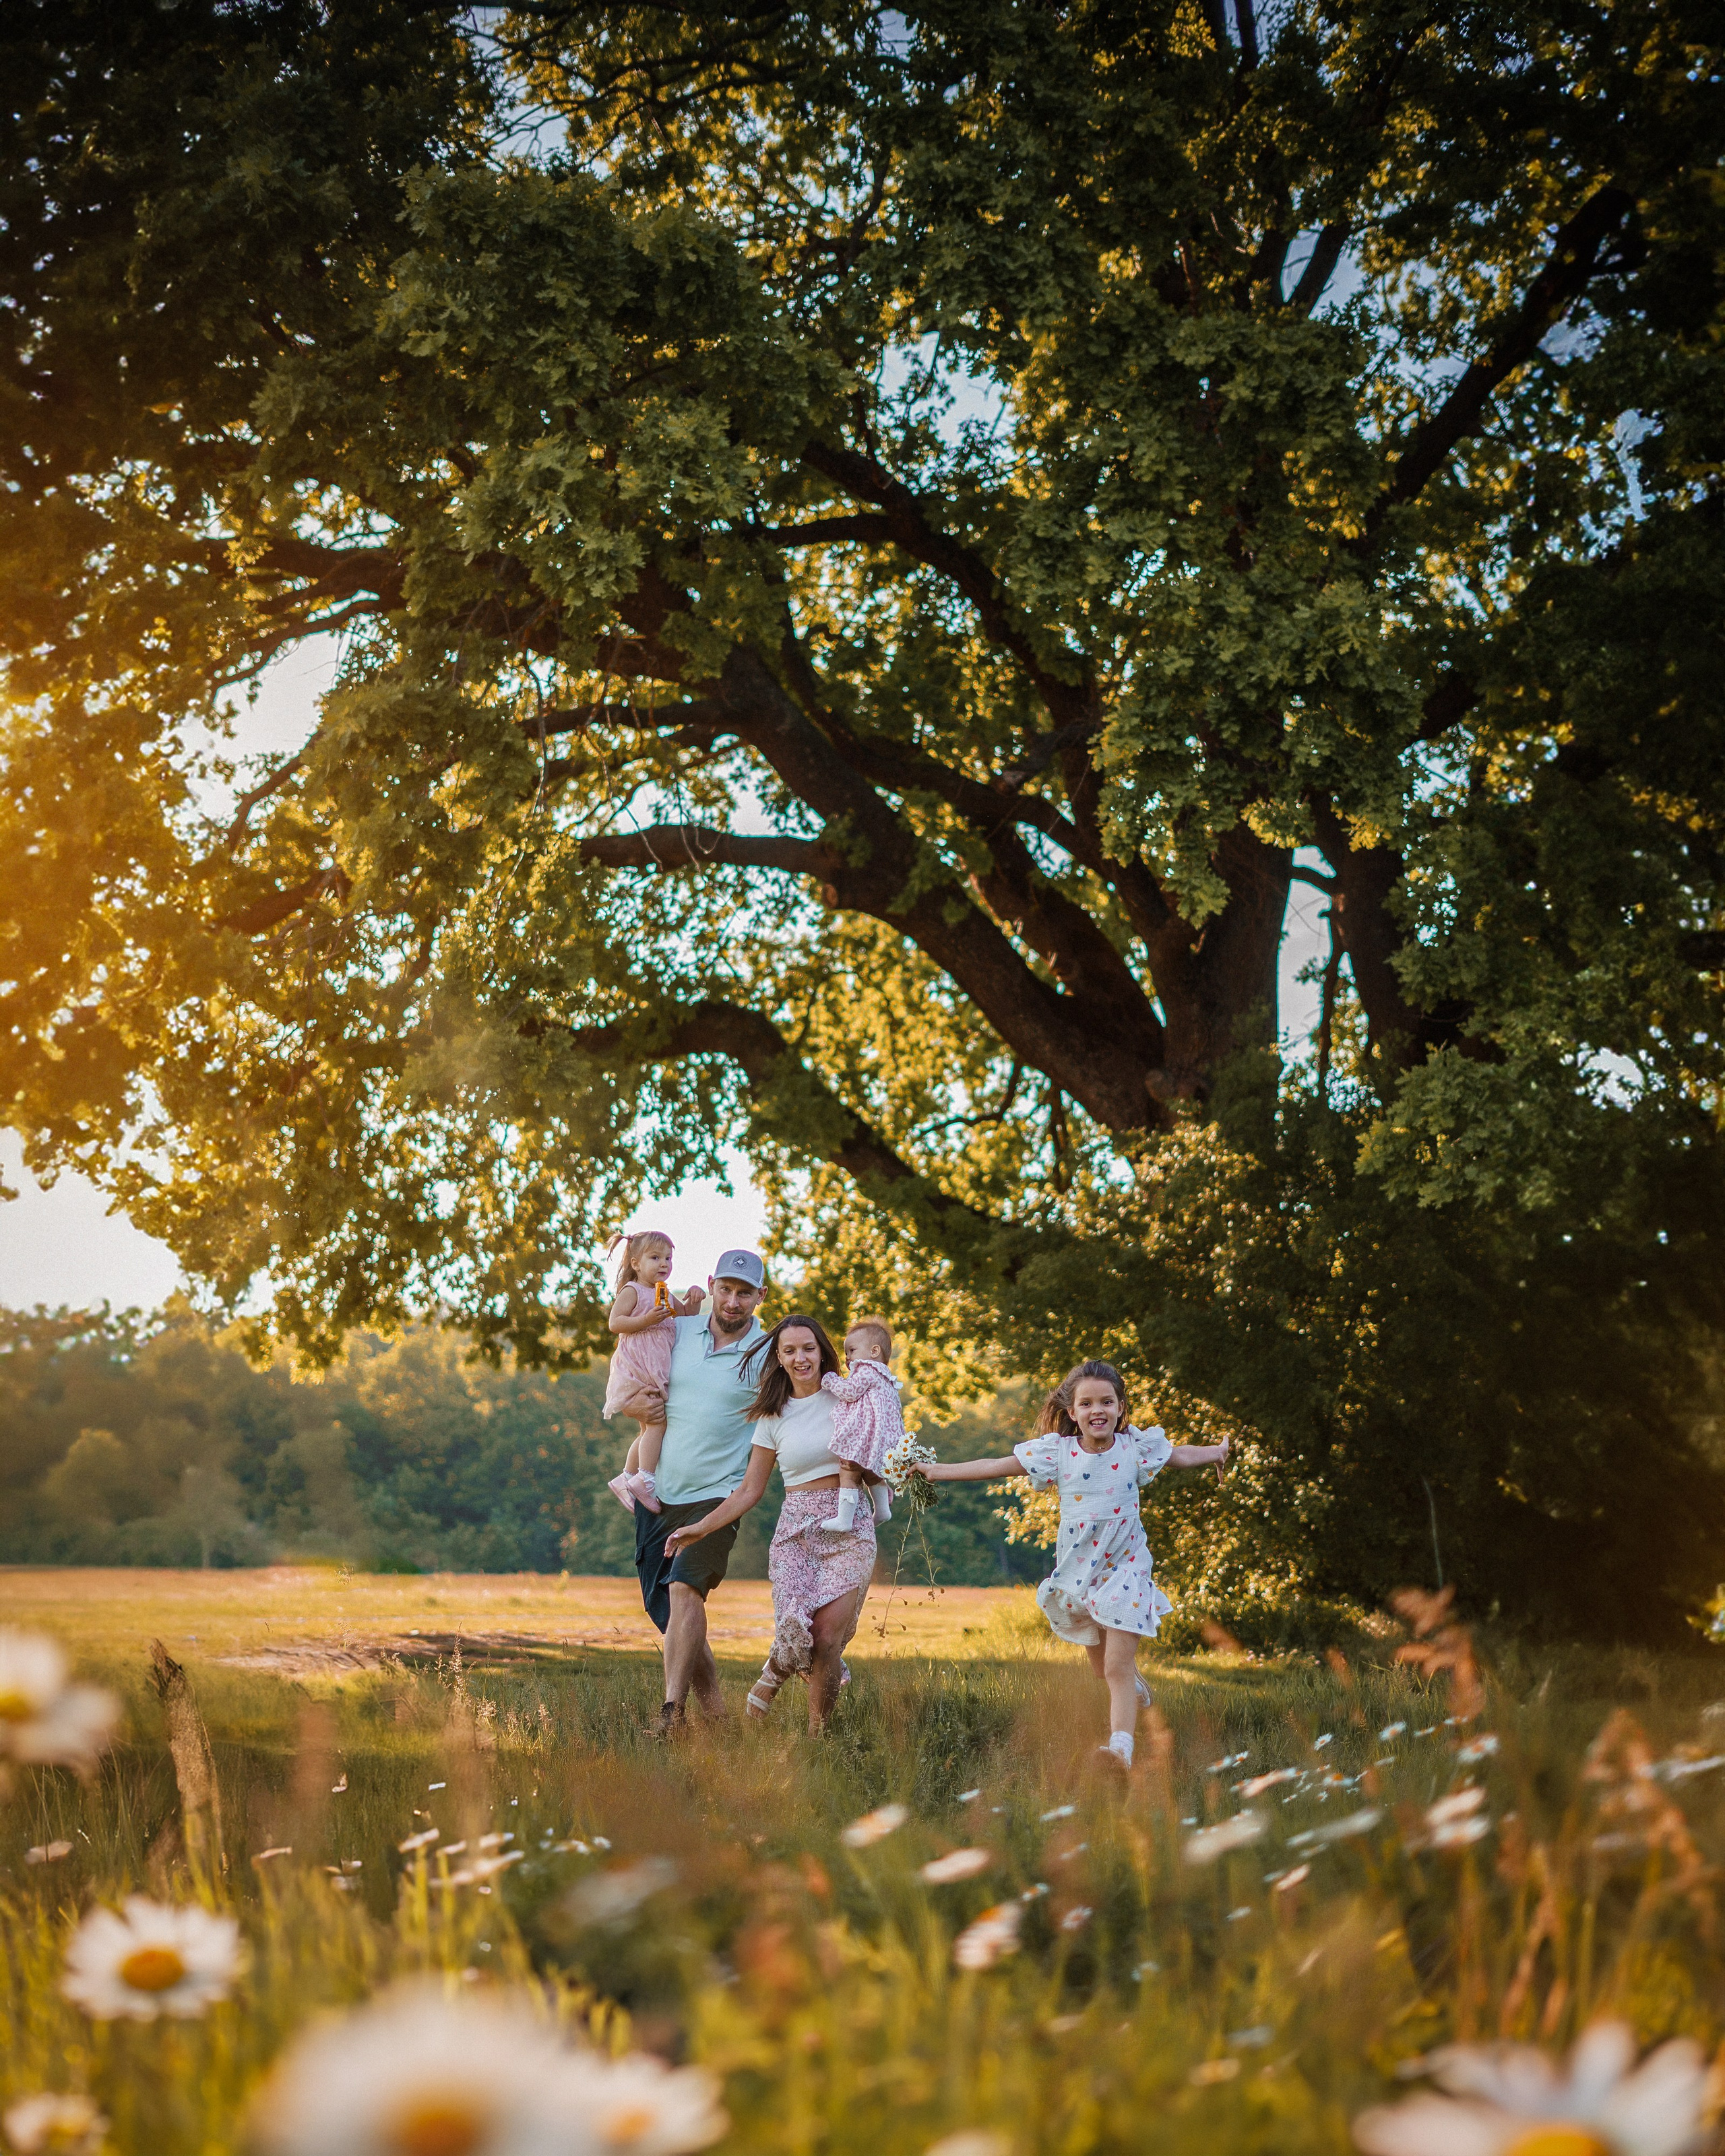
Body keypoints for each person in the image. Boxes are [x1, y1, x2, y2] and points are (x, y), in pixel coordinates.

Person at [922, 1359, 1229, 1769]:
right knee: (1103, 1672)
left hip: (1127, 1570)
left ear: (1121, 1407)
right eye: (1087, 1403)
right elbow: (996, 1467)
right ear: (1073, 1412)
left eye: (1107, 1401)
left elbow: (1178, 1455)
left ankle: (1119, 1753)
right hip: (1080, 1574)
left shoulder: (1134, 1448)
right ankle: (1135, 1689)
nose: (1097, 1410)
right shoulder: (1057, 1453)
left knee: (1116, 1669)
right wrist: (936, 1472)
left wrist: (1217, 1452)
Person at [665, 1312, 874, 1734]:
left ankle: (819, 1738)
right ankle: (773, 1673)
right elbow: (748, 1492)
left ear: (823, 1352)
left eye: (809, 1349)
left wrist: (878, 1467)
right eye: (790, 1351)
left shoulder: (851, 1399)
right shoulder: (773, 1417)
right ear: (778, 1358)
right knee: (801, 1632)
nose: (801, 1358)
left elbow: (878, 1462)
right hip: (797, 1531)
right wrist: (700, 1528)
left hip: (849, 1524)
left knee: (829, 1638)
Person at [635, 1249, 768, 1732]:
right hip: (657, 1493)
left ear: (760, 1297)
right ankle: (715, 1711)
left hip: (718, 1495)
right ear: (712, 1284)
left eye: (745, 1293)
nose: (733, 1302)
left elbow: (806, 1392)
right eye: (727, 1289)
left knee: (685, 1588)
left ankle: (672, 1714)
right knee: (667, 1611)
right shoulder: (679, 1327)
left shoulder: (768, 1352)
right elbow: (631, 1333)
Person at [602, 1230, 704, 1515]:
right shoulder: (633, 1291)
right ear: (636, 1264)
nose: (664, 1264)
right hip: (636, 1369)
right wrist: (646, 1319)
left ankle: (626, 1477)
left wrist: (694, 1299)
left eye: (668, 1258)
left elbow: (685, 1317)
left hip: (654, 1368)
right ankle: (644, 1480)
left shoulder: (665, 1293)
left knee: (649, 1428)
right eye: (655, 1258)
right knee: (657, 1424)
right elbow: (615, 1323)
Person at [817, 1315, 902, 1533]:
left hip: (861, 1436)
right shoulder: (886, 1377)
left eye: (852, 1351)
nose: (847, 1357)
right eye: (846, 1353)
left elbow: (849, 1392)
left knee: (848, 1472)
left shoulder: (866, 1370)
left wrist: (831, 1380)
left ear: (874, 1352)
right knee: (872, 1473)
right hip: (879, 1439)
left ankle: (844, 1520)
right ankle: (882, 1510)